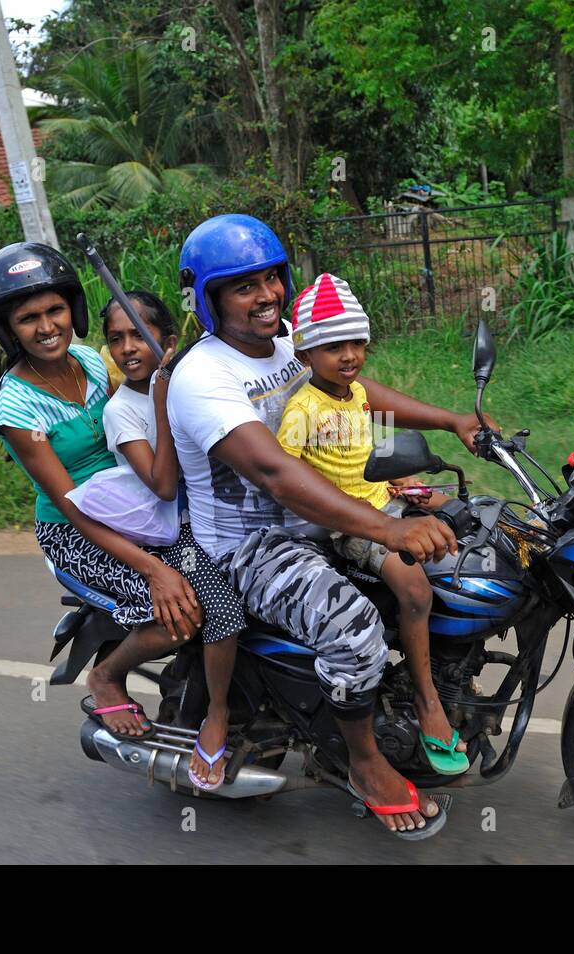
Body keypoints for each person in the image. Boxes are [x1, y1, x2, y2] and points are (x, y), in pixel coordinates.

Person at [166, 214, 497, 838]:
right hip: (252, 544)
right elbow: (273, 472)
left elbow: (353, 389)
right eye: (243, 286)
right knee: (354, 629)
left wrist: (451, 420)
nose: (266, 295)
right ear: (209, 298)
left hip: (324, 516)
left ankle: (427, 697)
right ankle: (366, 763)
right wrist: (385, 528)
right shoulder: (202, 376)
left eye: (271, 278)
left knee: (468, 556)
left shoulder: (290, 341)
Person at [0, 242, 203, 742]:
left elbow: (144, 398)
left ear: (72, 310)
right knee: (180, 613)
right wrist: (155, 570)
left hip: (144, 507)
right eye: (28, 317)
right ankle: (106, 677)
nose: (46, 326)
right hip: (78, 531)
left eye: (55, 309)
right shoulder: (16, 411)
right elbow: (74, 509)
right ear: (8, 328)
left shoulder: (91, 361)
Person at [276, 273, 469, 776]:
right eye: (333, 345)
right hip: (351, 525)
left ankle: (451, 661)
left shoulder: (356, 394)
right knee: (413, 582)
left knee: (468, 522)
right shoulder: (303, 408)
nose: (349, 354)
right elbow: (284, 476)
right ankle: (428, 699)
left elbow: (364, 454)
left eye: (357, 341)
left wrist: (407, 482)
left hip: (385, 499)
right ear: (306, 355)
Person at [96, 291, 244, 790]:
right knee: (220, 609)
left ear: (171, 341)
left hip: (217, 511)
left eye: (139, 334)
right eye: (117, 339)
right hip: (169, 530)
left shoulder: (196, 382)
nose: (127, 348)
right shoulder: (124, 411)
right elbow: (161, 485)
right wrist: (162, 401)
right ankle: (217, 715)